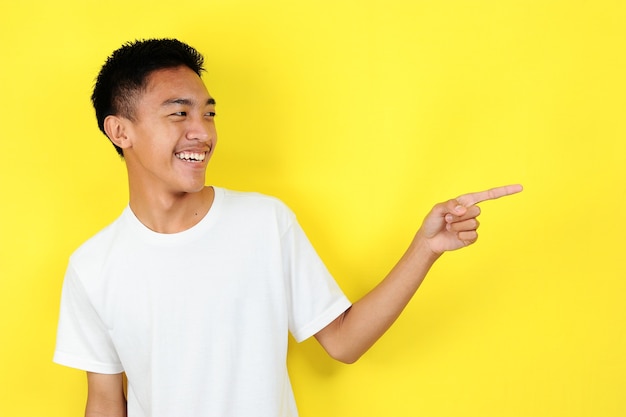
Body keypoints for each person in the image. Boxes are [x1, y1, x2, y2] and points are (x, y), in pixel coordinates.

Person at [53, 38, 522, 417]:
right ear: (120, 131)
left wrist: (426, 247)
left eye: (209, 112)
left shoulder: (263, 222)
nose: (204, 131)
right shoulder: (93, 267)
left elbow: (343, 341)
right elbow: (105, 400)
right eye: (179, 113)